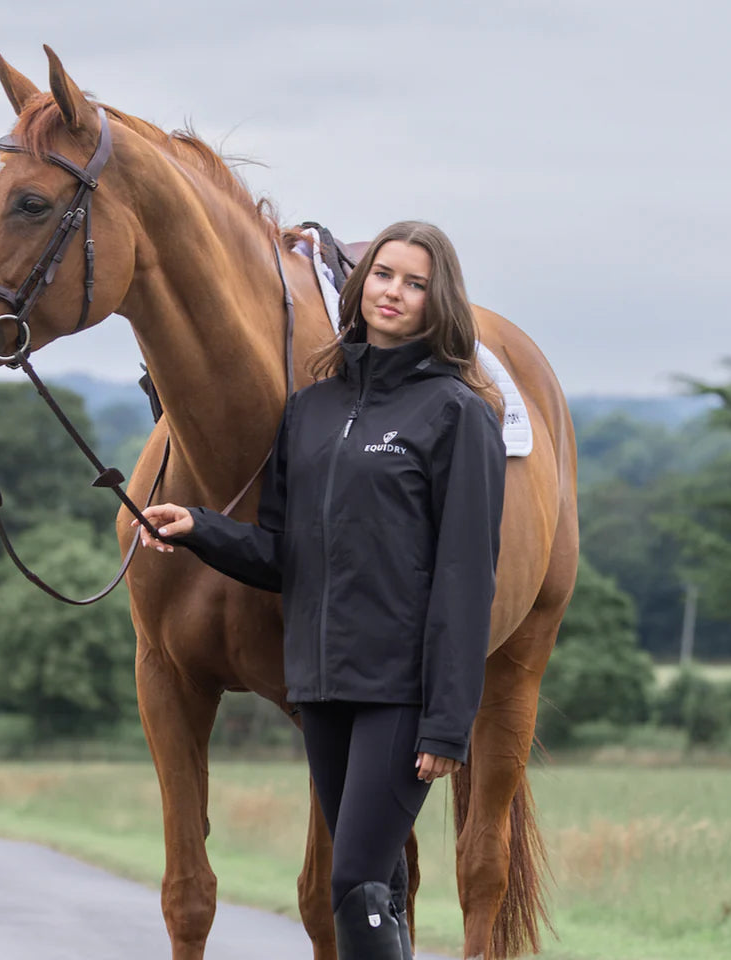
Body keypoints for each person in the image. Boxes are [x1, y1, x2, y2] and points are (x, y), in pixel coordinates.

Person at [133, 221, 507, 960]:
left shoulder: (457, 413)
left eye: (415, 282)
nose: (393, 292)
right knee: (378, 886)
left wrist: (447, 720)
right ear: (360, 284)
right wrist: (198, 529)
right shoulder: (312, 412)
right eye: (383, 275)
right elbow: (283, 556)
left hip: (400, 692)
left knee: (355, 884)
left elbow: (468, 578)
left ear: (441, 304)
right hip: (323, 689)